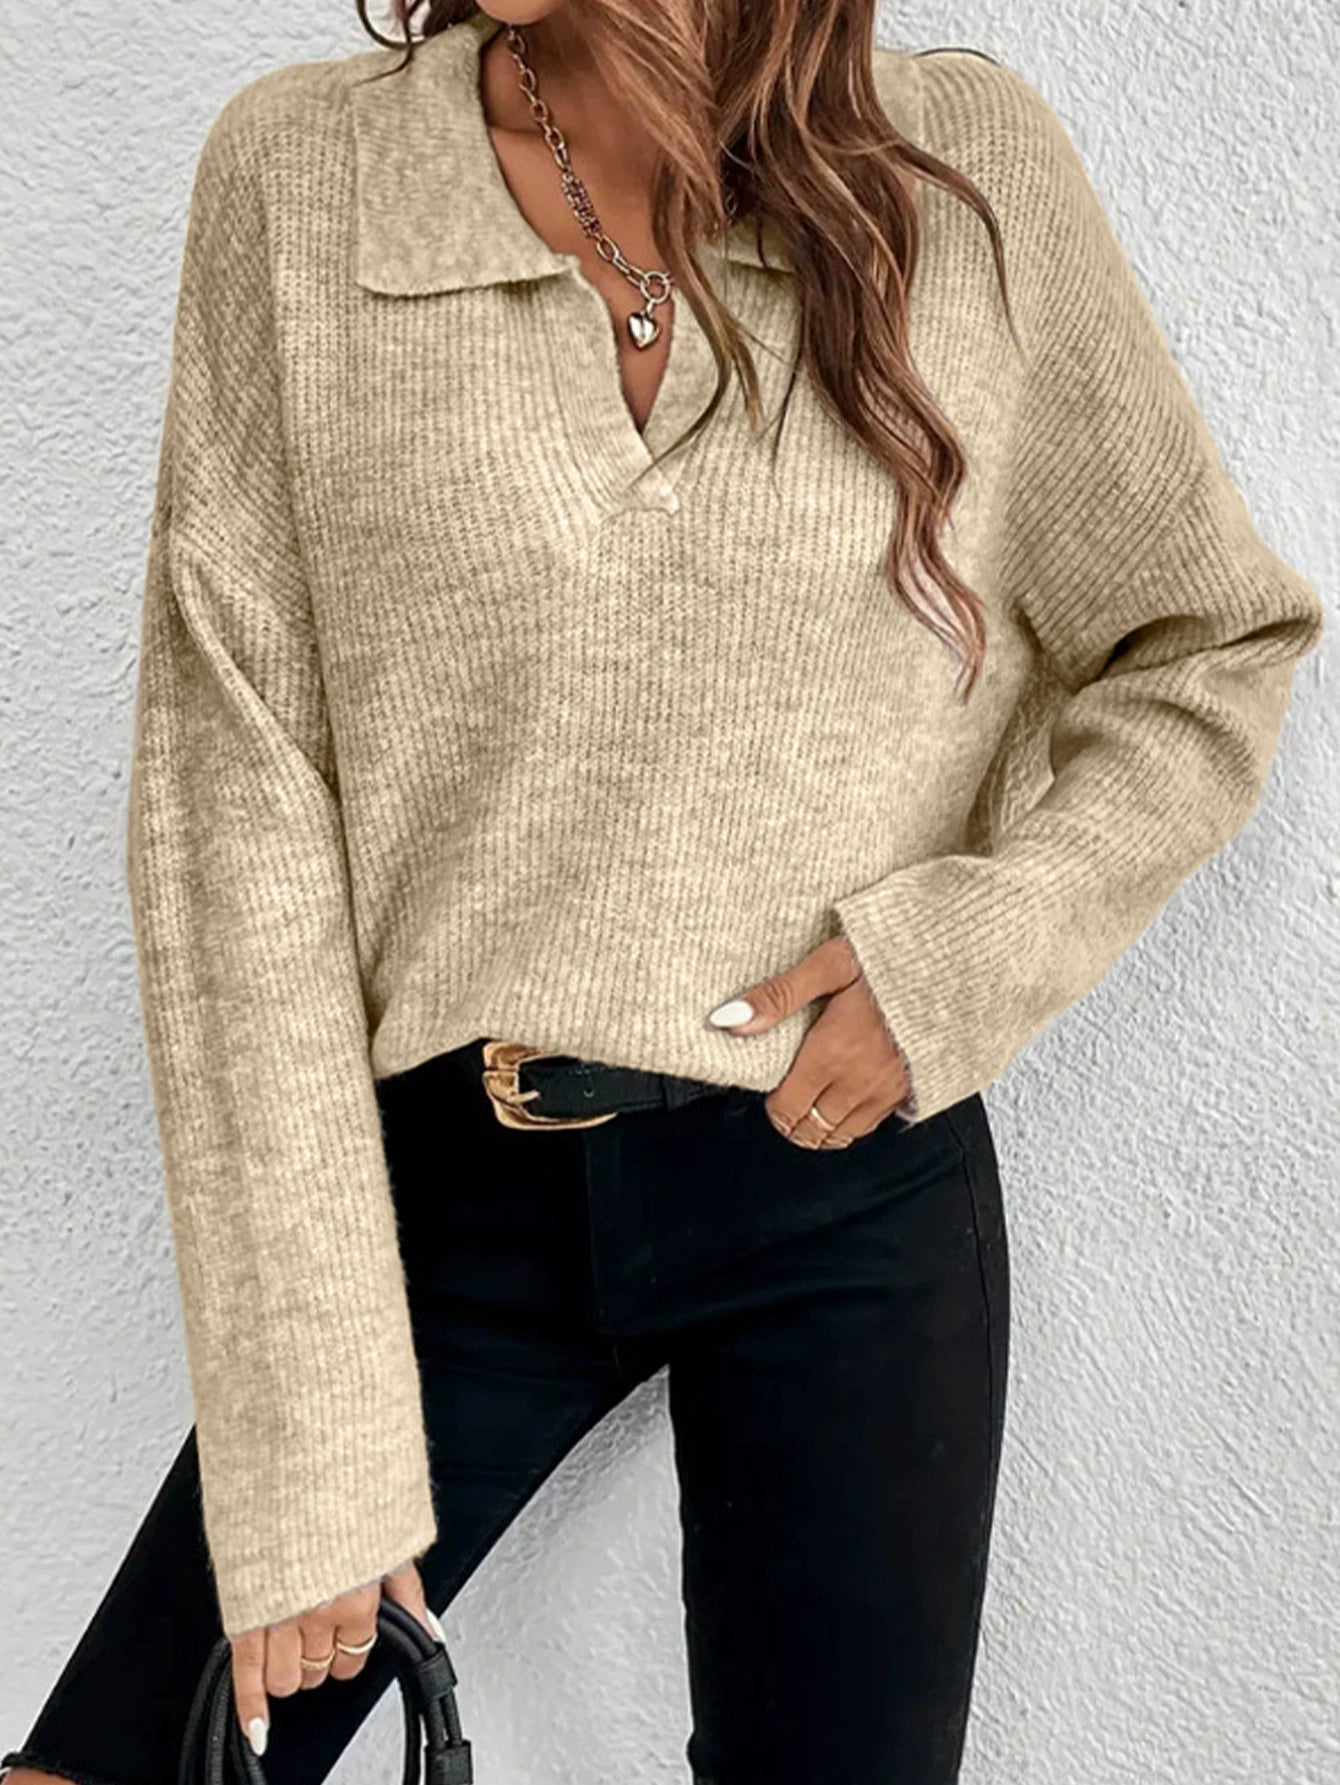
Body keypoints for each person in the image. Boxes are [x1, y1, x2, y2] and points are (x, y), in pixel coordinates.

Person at [2, 2, 1324, 1782]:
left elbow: (1206, 643)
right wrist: (302, 1437)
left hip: (846, 1189)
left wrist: (957, 961)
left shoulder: (960, 176)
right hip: (439, 1198)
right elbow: (229, 823)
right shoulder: (308, 176)